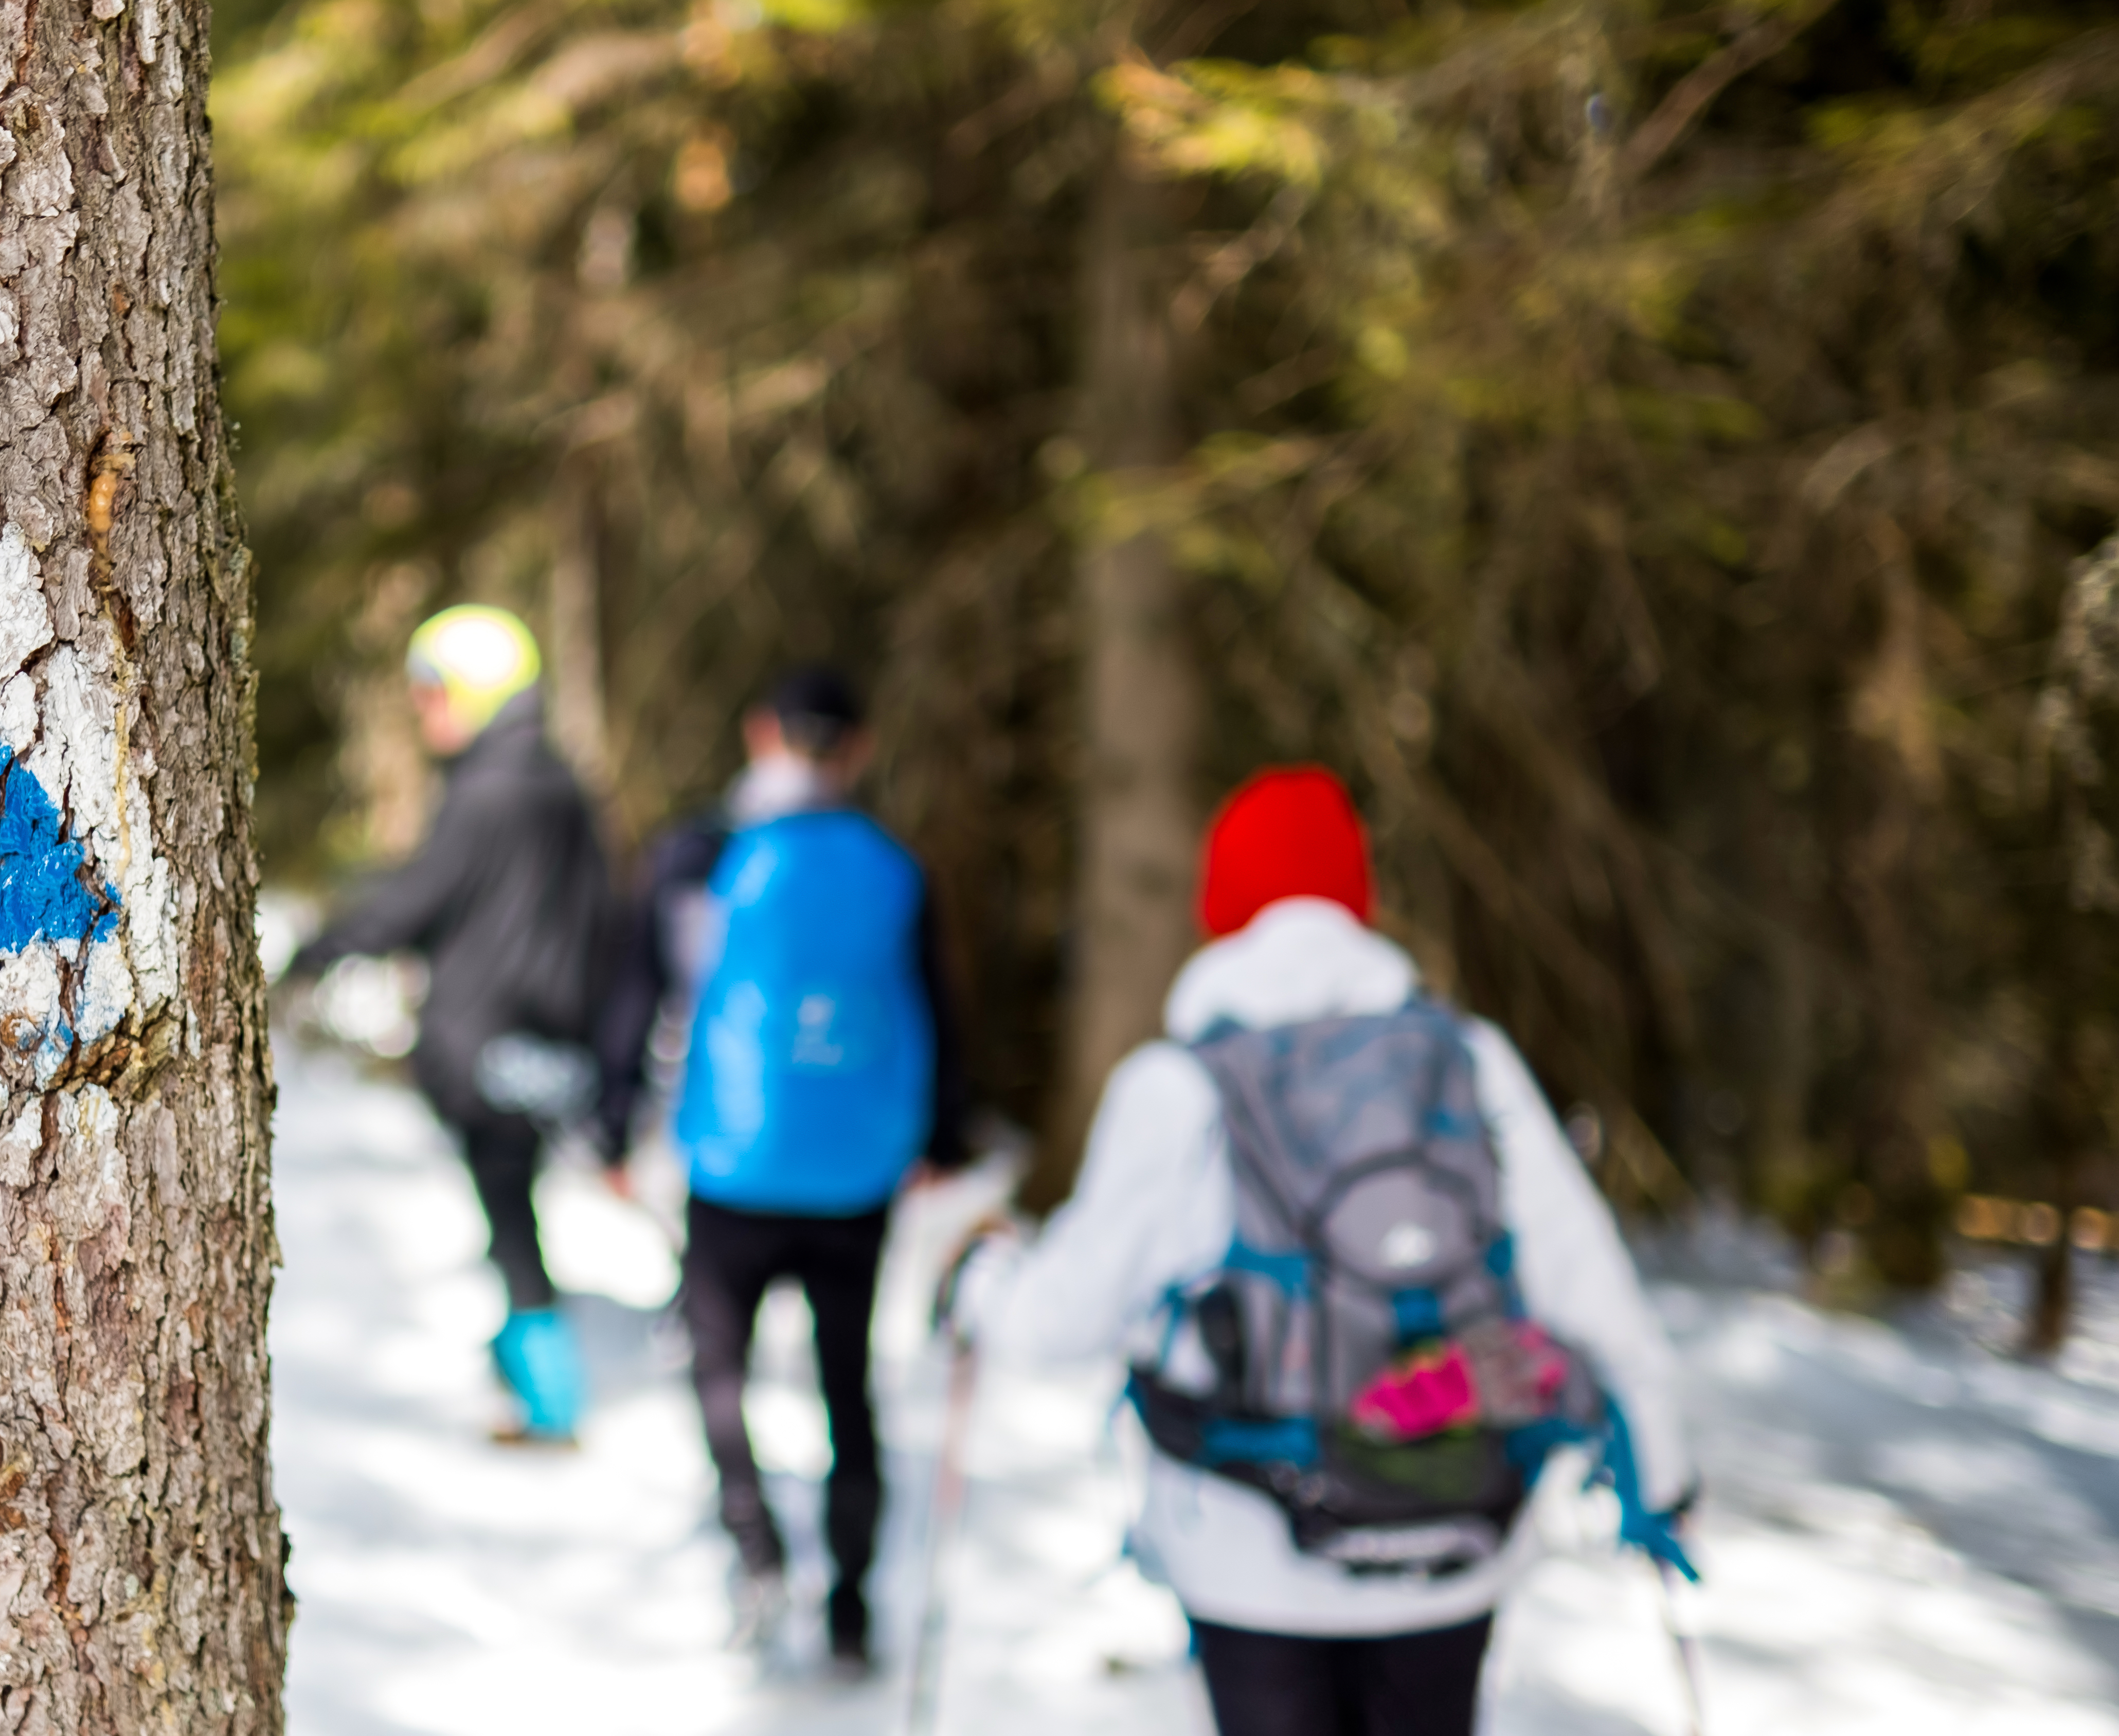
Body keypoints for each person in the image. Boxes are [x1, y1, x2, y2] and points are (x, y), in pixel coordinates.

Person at [953, 766, 1695, 1736]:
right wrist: (1665, 1469)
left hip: (1248, 1553)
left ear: (1223, 907)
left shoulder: (1181, 1088)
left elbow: (1061, 1319)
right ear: (1359, 902)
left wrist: (981, 1282)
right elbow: (1585, 1279)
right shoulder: (1468, 1060)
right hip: (1452, 1530)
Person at [596, 667, 972, 1675]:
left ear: (761, 732)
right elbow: (935, 1004)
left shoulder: (703, 855)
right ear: (857, 746)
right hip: (857, 1171)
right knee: (850, 1388)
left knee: (719, 1366)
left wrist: (611, 1120)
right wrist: (944, 1136)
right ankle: (850, 1606)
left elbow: (645, 990)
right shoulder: (895, 866)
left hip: (735, 1159)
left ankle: (756, 1546)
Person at [287, 604, 616, 1444]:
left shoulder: (489, 792)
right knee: (514, 1209)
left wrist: (313, 952)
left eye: (432, 690)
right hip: (549, 1049)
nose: (421, 708)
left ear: (480, 690)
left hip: (486, 1049)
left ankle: (548, 1396)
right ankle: (526, 1367)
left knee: (509, 1216)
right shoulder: (559, 787)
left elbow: (418, 899)